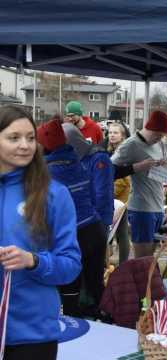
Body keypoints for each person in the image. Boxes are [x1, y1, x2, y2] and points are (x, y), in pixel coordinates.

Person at [0, 105, 81, 360]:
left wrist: (33, 261)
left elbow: (70, 266)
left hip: (32, 336)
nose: (25, 145)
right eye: (14, 137)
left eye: (31, 138)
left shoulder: (54, 194)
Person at [37, 118, 108, 317]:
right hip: (95, 230)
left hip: (73, 235)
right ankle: (104, 326)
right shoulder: (76, 162)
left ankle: (73, 339)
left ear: (45, 147)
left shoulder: (47, 173)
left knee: (69, 295)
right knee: (95, 289)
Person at [111, 110, 167, 258]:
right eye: (158, 135)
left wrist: (166, 165)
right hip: (141, 209)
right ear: (151, 129)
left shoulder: (160, 144)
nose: (160, 139)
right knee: (142, 260)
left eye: (163, 136)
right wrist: (136, 167)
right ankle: (137, 281)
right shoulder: (130, 145)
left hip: (158, 206)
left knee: (150, 259)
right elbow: (108, 170)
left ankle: (148, 282)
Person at [62, 123, 114, 231]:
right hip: (82, 218)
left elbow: (102, 193)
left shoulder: (99, 158)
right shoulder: (76, 159)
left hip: (97, 219)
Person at [106, 122, 131, 264]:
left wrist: (107, 193)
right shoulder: (109, 151)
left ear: (122, 136)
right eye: (110, 132)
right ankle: (108, 262)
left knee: (121, 234)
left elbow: (123, 180)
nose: (112, 135)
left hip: (119, 198)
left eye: (115, 133)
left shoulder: (123, 153)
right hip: (112, 197)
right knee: (115, 232)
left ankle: (123, 264)